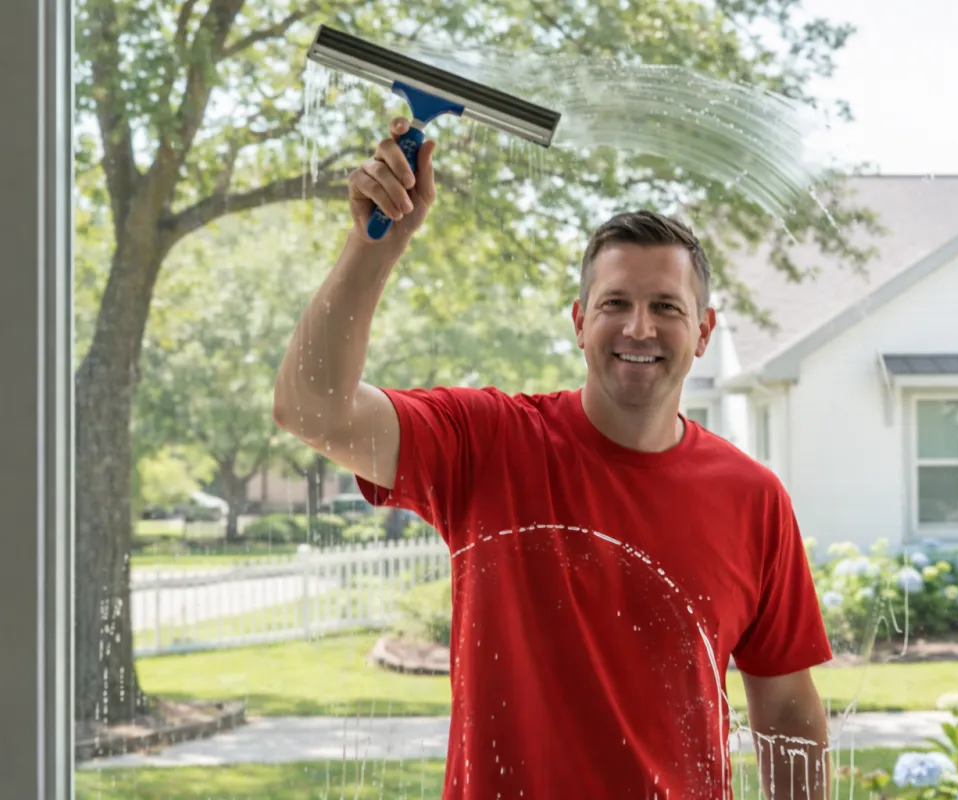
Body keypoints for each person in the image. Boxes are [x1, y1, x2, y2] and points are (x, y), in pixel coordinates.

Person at [274, 116, 833, 799]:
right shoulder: (487, 443)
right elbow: (311, 406)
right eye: (615, 304)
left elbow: (786, 708)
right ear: (578, 321)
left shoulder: (753, 497)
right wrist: (374, 245)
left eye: (666, 307)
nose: (638, 327)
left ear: (704, 331)